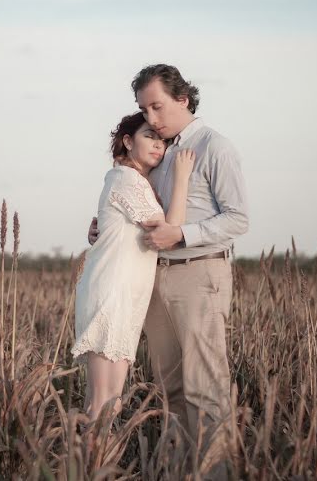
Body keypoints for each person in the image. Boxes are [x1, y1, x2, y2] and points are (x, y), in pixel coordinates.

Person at [87, 64, 249, 480]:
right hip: (153, 277)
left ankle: (217, 474)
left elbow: (237, 219)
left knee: (205, 387)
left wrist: (183, 233)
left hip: (199, 273)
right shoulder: (156, 149)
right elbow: (139, 204)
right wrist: (107, 225)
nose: (151, 118)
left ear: (183, 99)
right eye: (144, 109)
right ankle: (180, 473)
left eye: (157, 107)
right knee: (170, 387)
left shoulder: (215, 146)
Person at [71, 111, 195, 428]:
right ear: (128, 141)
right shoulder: (125, 179)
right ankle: (86, 466)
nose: (159, 145)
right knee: (102, 402)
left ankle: (93, 464)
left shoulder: (136, 182)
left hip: (125, 295)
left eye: (162, 140)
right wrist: (181, 178)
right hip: (111, 292)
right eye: (149, 137)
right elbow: (169, 230)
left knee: (110, 402)